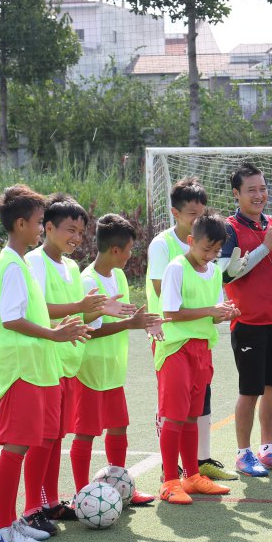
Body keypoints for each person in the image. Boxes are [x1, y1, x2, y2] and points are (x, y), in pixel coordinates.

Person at [0, 185, 88, 542]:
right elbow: (12, 319)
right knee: (14, 448)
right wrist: (53, 335)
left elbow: (27, 313)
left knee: (24, 446)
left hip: (34, 369)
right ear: (21, 224)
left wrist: (54, 332)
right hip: (20, 370)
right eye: (39, 222)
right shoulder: (12, 264)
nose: (42, 228)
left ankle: (12, 521)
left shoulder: (18, 262)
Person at [23, 194, 112, 533]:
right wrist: (80, 305)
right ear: (47, 227)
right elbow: (38, 309)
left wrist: (100, 310)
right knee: (42, 439)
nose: (76, 238)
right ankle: (32, 508)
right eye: (69, 230)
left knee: (56, 437)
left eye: (80, 232)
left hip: (69, 362)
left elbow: (76, 311)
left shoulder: (72, 266)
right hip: (46, 362)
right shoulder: (34, 262)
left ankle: (48, 501)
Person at [72, 214, 165, 506]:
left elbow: (124, 316)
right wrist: (130, 324)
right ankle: (81, 494)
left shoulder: (119, 275)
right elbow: (89, 330)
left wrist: (143, 321)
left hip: (113, 368)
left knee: (118, 426)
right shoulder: (88, 280)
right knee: (86, 433)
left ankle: (120, 486)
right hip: (89, 370)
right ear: (115, 250)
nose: (130, 255)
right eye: (129, 250)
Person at [146, 178, 236, 481]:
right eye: (191, 216)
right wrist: (210, 311)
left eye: (216, 250)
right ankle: (170, 477)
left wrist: (224, 313)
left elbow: (212, 309)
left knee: (192, 414)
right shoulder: (169, 254)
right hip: (172, 343)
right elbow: (167, 306)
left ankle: (193, 474)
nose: (211, 254)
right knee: (173, 413)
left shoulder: (211, 268)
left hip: (201, 347)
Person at [219, 162, 272, 477]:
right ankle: (243, 454)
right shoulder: (228, 228)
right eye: (251, 190)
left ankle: (268, 449)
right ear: (236, 193)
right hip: (249, 321)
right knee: (249, 390)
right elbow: (227, 272)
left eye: (262, 188)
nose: (259, 195)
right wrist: (264, 247)